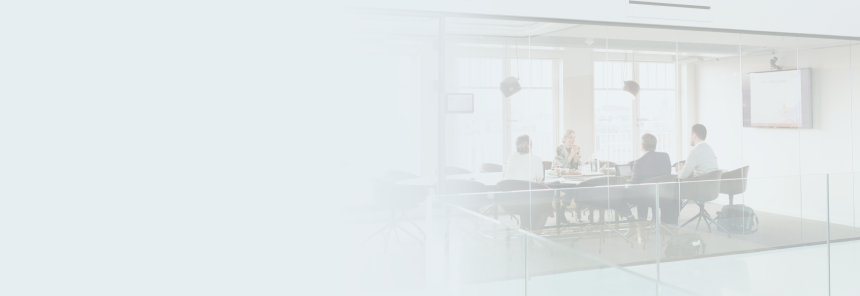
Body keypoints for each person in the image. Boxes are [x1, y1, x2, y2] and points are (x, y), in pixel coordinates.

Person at [501, 135, 551, 232]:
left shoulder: (511, 156)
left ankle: (527, 231)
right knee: (544, 206)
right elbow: (540, 179)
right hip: (529, 201)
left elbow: (506, 172)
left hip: (510, 202)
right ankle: (534, 234)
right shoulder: (536, 159)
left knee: (528, 203)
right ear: (531, 146)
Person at [626, 133, 672, 221]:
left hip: (646, 199)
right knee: (645, 193)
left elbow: (633, 185)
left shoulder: (639, 162)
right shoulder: (665, 156)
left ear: (642, 146)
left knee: (640, 194)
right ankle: (656, 222)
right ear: (655, 145)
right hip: (664, 196)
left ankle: (641, 224)